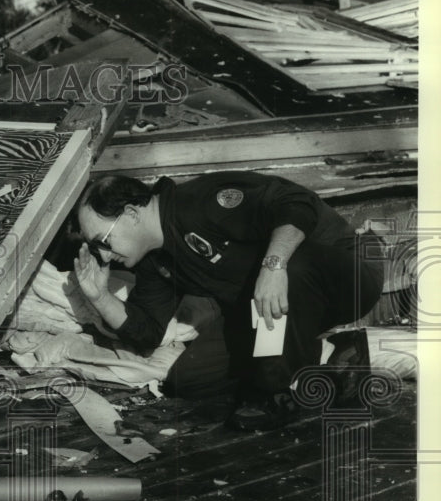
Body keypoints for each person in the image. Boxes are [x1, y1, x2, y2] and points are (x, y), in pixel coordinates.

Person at [72, 171, 385, 430]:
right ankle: (333, 354)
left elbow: (296, 202)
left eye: (103, 240)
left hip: (349, 275)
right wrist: (99, 297)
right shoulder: (154, 259)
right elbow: (150, 330)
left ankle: (274, 392)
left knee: (293, 265)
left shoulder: (200, 202)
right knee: (188, 379)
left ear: (131, 213)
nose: (102, 254)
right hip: (272, 311)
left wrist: (272, 266)